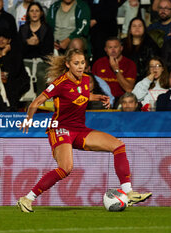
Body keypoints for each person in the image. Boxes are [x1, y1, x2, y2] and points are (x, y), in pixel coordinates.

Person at [16, 48, 152, 213]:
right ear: (68, 64)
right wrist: (28, 119)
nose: (80, 67)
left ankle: (128, 192)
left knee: (118, 146)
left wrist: (97, 97)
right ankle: (27, 199)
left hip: (79, 129)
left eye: (82, 63)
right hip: (60, 129)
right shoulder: (59, 83)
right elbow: (35, 103)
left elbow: (81, 96)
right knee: (66, 168)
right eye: (76, 63)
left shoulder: (86, 79)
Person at [19, 2, 54, 95]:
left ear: (41, 13)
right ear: (28, 13)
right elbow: (19, 51)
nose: (34, 13)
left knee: (41, 75)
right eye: (32, 11)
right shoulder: (23, 29)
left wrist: (38, 44)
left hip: (42, 62)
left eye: (37, 11)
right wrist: (28, 43)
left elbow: (49, 52)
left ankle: (40, 102)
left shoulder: (47, 29)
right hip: (25, 62)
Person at [92, 37, 137, 107]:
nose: (113, 50)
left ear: (121, 48)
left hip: (121, 99)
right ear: (105, 49)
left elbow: (129, 89)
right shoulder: (98, 63)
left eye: (115, 47)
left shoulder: (130, 64)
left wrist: (116, 70)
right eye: (110, 47)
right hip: (102, 99)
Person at [0, 28, 30, 111]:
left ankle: (11, 112)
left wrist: (4, 54)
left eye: (4, 38)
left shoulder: (16, 53)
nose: (1, 40)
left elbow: (13, 72)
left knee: (11, 86)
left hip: (18, 81)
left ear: (9, 40)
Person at [122, 17, 160, 83]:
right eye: (134, 26)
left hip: (145, 81)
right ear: (130, 30)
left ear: (144, 29)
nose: (137, 28)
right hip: (124, 79)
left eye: (140, 26)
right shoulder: (122, 44)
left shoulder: (151, 45)